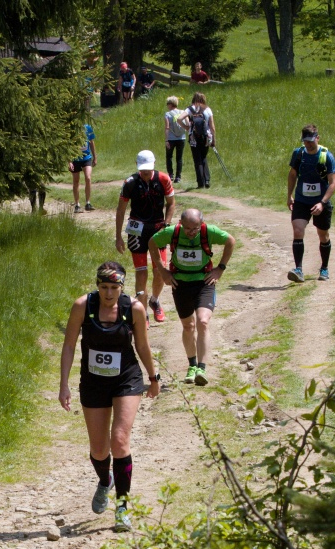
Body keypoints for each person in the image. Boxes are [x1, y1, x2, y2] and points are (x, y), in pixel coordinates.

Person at [59, 261, 160, 532]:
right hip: (93, 381)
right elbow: (69, 345)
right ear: (97, 286)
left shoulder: (133, 309)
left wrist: (153, 378)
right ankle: (105, 481)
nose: (108, 293)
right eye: (104, 287)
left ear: (122, 287)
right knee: (99, 449)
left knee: (119, 440)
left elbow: (142, 346)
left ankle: (122, 508)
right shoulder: (83, 306)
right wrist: (64, 384)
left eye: (114, 288)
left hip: (126, 379)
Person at [150, 208, 235, 386]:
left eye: (195, 228)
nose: (191, 232)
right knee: (188, 326)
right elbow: (152, 243)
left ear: (201, 224)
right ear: (181, 224)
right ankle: (192, 365)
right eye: (187, 228)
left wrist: (220, 268)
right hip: (180, 284)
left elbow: (230, 241)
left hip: (204, 282)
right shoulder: (172, 232)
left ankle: (201, 369)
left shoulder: (208, 231)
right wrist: (162, 270)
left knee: (203, 321)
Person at [115, 150, 175, 324]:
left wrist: (167, 224)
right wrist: (118, 237)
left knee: (160, 271)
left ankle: (155, 301)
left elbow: (171, 203)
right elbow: (121, 210)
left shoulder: (163, 179)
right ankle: (142, 312)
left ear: (154, 164)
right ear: (137, 166)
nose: (146, 173)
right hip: (137, 230)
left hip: (157, 230)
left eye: (148, 169)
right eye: (142, 170)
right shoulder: (130, 183)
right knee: (141, 272)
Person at [286, 124, 335, 282]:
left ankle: (324, 268)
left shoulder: (326, 156)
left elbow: (333, 183)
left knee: (323, 235)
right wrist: (289, 195)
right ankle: (298, 270)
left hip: (321, 201)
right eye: (305, 141)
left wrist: (322, 203)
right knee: (298, 230)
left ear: (317, 138)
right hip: (301, 200)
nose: (308, 144)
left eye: (311, 141)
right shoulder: (298, 154)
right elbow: (292, 174)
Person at [187, 92, 214, 189]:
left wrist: (187, 128)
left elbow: (179, 119)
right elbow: (212, 126)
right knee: (203, 157)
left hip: (193, 137)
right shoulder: (207, 109)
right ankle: (207, 180)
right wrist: (213, 139)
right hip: (206, 136)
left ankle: (200, 182)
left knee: (197, 159)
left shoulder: (190, 109)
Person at [70, 123, 97, 213]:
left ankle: (88, 203)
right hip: (75, 159)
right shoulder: (71, 128)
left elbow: (91, 142)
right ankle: (77, 205)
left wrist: (95, 157)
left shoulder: (88, 127)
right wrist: (69, 161)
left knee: (88, 178)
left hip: (86, 157)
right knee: (76, 181)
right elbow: (67, 146)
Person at [163, 95, 190, 184]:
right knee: (179, 158)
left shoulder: (167, 114)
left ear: (171, 104)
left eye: (168, 103)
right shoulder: (183, 112)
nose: (167, 105)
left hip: (171, 138)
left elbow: (167, 127)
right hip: (181, 138)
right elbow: (188, 124)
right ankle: (178, 177)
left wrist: (166, 140)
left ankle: (171, 175)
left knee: (169, 156)